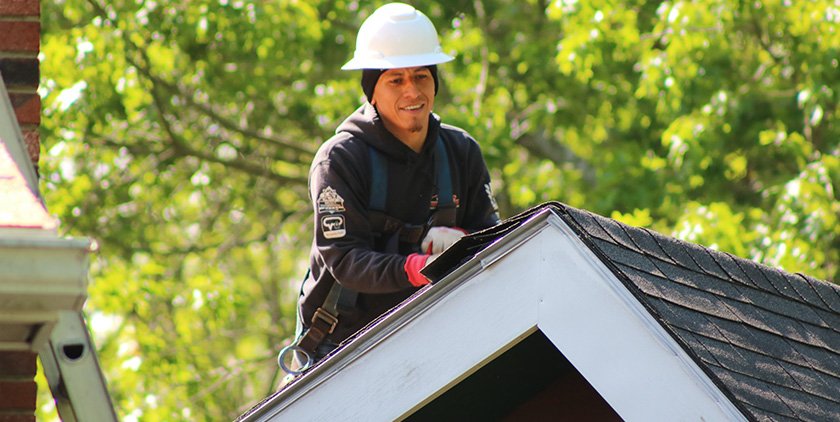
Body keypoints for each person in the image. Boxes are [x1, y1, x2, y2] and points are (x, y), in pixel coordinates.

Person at [284, 2, 500, 373]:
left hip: (434, 332)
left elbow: (494, 244)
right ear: (372, 91)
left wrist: (462, 238)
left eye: (421, 76)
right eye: (395, 80)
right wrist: (418, 267)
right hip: (341, 348)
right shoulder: (339, 161)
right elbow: (344, 260)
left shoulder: (461, 152)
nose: (412, 92)